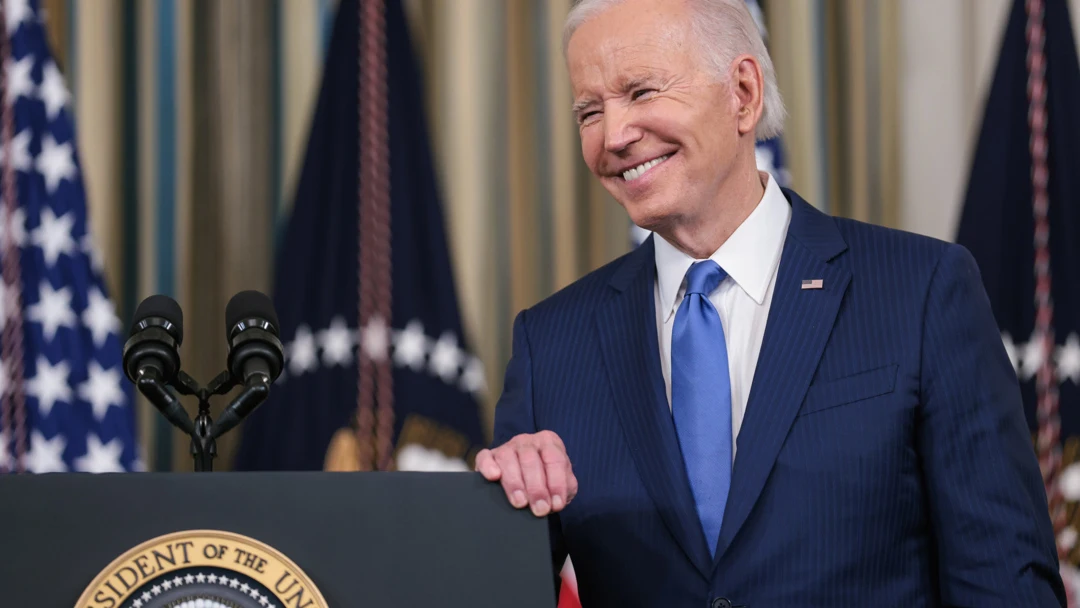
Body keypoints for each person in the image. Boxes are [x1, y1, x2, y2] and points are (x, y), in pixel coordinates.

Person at [474, 0, 1066, 605]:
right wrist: (496, 513)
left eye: (642, 91)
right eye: (589, 111)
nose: (615, 135)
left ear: (743, 92)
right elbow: (496, 590)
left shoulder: (923, 292)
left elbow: (1006, 585)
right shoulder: (550, 347)